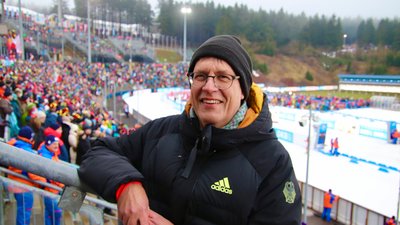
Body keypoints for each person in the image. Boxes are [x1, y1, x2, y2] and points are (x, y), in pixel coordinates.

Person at [78, 35, 301, 225]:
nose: (209, 87)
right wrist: (126, 184)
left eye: (223, 77)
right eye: (201, 76)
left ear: (243, 90)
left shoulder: (272, 162)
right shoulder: (162, 130)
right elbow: (98, 152)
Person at [7, 126, 46, 225]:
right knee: (24, 214)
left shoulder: (15, 144)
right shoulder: (25, 150)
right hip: (23, 187)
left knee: (22, 212)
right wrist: (44, 182)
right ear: (29, 138)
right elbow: (32, 172)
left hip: (15, 183)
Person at [38, 135, 65, 225]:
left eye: (57, 143)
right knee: (57, 213)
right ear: (48, 144)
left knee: (49, 213)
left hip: (52, 190)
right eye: (54, 144)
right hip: (50, 190)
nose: (56, 146)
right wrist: (63, 185)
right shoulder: (46, 157)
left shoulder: (51, 154)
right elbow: (52, 176)